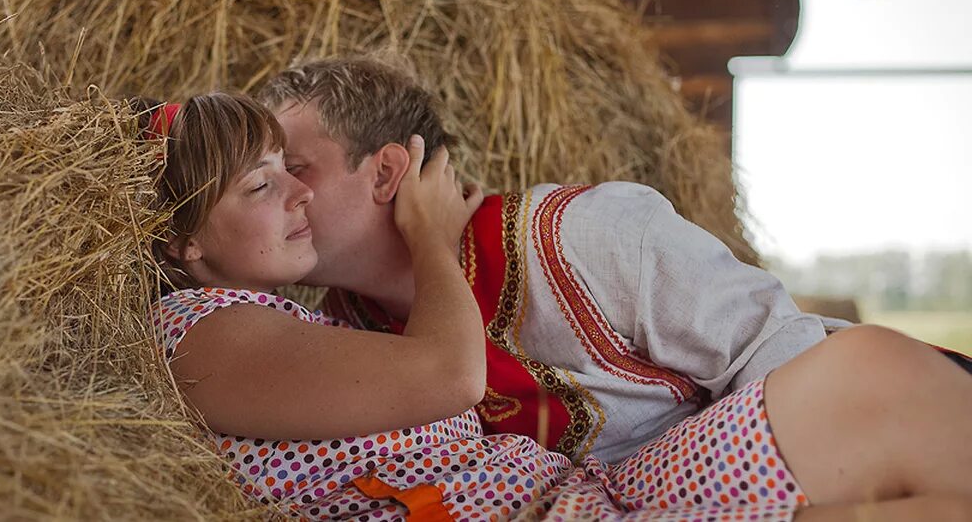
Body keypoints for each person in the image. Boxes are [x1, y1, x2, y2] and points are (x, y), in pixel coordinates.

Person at [145, 92, 971, 520]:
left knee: (874, 373)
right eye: (264, 180)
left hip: (600, 494)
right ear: (184, 240)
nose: (292, 192)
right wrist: (432, 239)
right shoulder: (214, 332)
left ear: (389, 174)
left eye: (297, 168)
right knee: (880, 381)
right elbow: (450, 375)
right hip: (565, 508)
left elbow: (779, 348)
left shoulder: (588, 236)